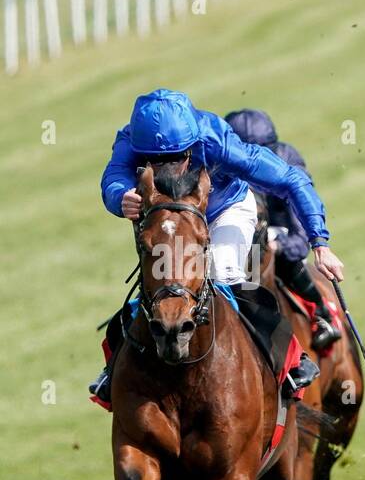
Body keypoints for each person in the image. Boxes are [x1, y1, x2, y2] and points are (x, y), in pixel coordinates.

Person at [92, 89, 344, 405]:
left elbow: (290, 179)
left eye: (177, 158)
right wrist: (120, 197)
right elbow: (114, 177)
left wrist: (319, 241)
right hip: (171, 217)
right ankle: (115, 367)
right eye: (155, 161)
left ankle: (291, 359)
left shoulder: (214, 139)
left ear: (192, 146)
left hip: (225, 210)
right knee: (161, 284)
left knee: (223, 275)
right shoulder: (129, 140)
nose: (167, 170)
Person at [224, 107, 342, 350]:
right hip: (239, 232)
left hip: (278, 233)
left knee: (265, 247)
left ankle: (322, 315)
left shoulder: (286, 160)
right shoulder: (222, 168)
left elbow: (300, 239)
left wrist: (279, 245)